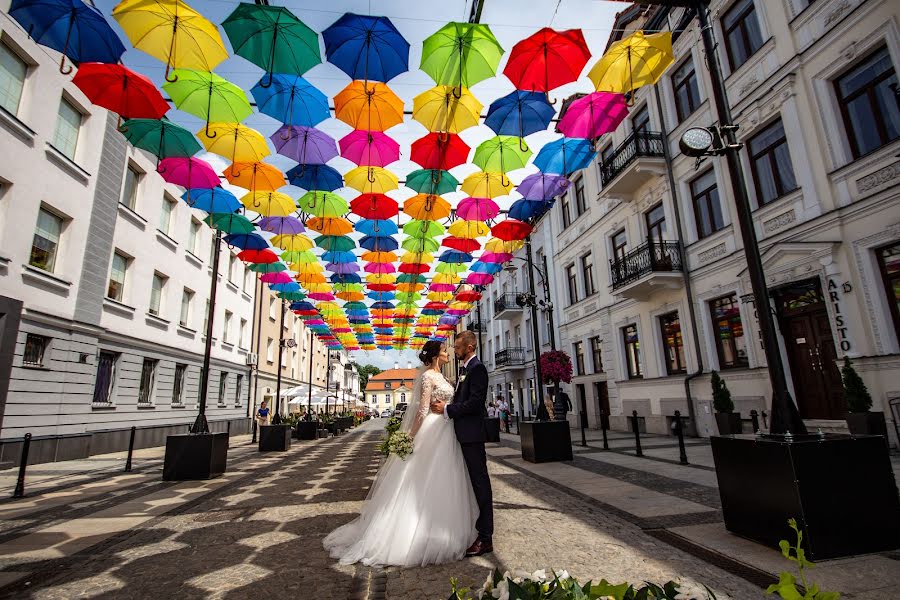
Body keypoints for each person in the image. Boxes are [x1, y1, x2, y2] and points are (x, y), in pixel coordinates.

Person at [323, 340, 477, 566]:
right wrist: (410, 437)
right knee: (424, 478)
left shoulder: (442, 377)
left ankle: (447, 527)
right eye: (444, 351)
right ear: (435, 356)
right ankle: (413, 533)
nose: (447, 353)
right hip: (432, 431)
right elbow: (422, 410)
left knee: (446, 477)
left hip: (446, 429)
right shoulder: (427, 377)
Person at [430, 330, 494, 557]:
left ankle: (486, 537)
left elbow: (476, 404)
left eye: (457, 347)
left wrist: (447, 409)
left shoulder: (478, 369)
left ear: (469, 347)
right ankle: (473, 528)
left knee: (480, 484)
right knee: (470, 484)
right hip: (461, 434)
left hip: (472, 435)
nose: (454, 351)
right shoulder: (465, 370)